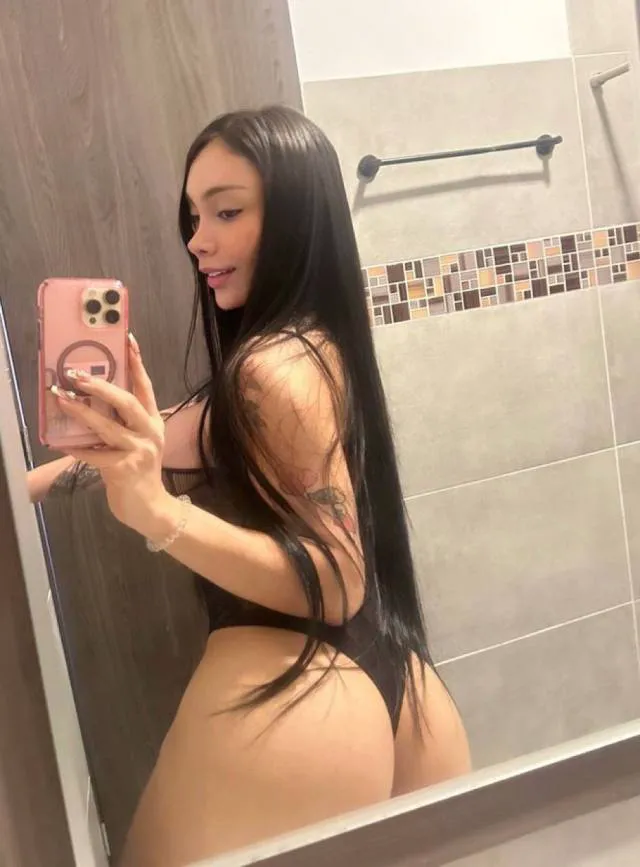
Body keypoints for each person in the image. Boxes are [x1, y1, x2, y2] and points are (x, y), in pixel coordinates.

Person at [29, 106, 470, 867]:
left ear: (294, 218)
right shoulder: (306, 349)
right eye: (194, 215)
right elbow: (169, 435)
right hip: (397, 690)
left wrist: (159, 514)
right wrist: (38, 480)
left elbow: (337, 581)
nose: (197, 239)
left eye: (226, 212)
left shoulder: (270, 371)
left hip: (292, 691)